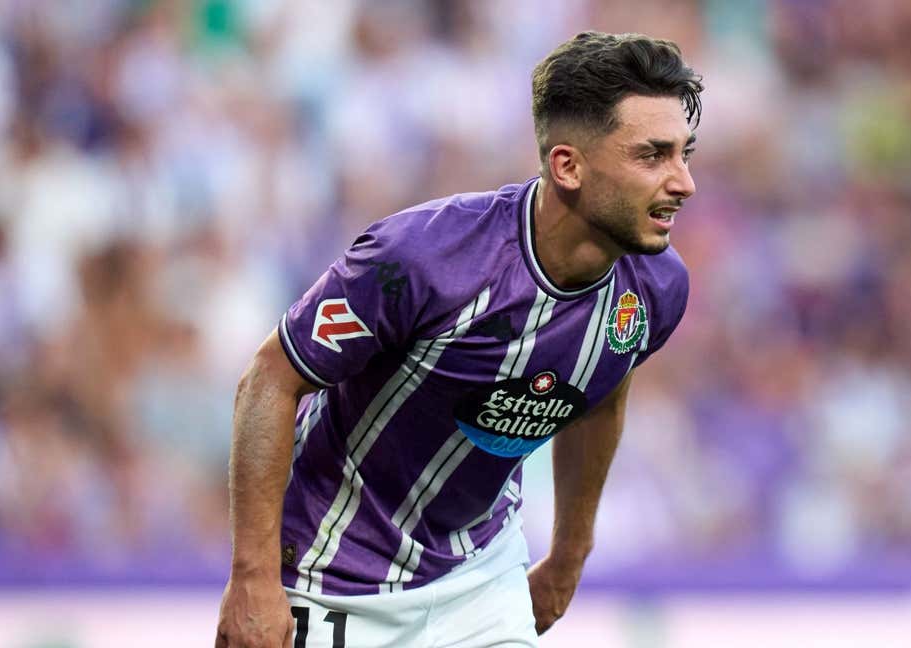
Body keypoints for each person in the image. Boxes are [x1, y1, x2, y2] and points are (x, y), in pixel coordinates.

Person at [215, 31, 701, 648]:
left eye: (684, 154)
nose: (683, 182)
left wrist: (568, 556)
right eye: (653, 156)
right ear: (568, 167)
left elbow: (600, 395)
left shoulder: (657, 288)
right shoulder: (422, 260)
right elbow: (269, 379)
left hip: (479, 580)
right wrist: (252, 577)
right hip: (332, 575)